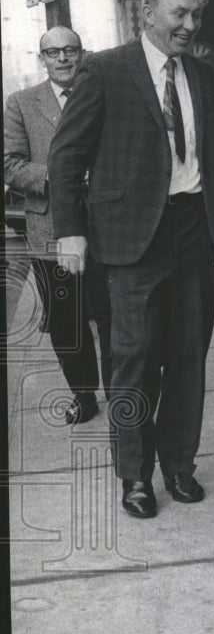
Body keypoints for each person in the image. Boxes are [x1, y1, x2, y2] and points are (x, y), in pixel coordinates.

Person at [48, 0, 214, 519]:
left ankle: (180, 466)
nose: (190, 26)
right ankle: (134, 476)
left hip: (191, 230)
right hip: (128, 239)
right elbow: (66, 158)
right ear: (147, 13)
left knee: (188, 356)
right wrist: (69, 231)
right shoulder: (105, 69)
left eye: (196, 17)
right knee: (133, 360)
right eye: (180, 16)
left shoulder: (203, 76)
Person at [4, 26, 110, 424]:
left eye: (71, 50)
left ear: (82, 54)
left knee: (113, 312)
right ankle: (83, 395)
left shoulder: (102, 95)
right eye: (53, 53)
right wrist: (60, 177)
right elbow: (10, 164)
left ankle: (122, 391)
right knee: (68, 321)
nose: (63, 58)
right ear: (42, 59)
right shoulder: (22, 103)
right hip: (49, 229)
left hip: (105, 225)